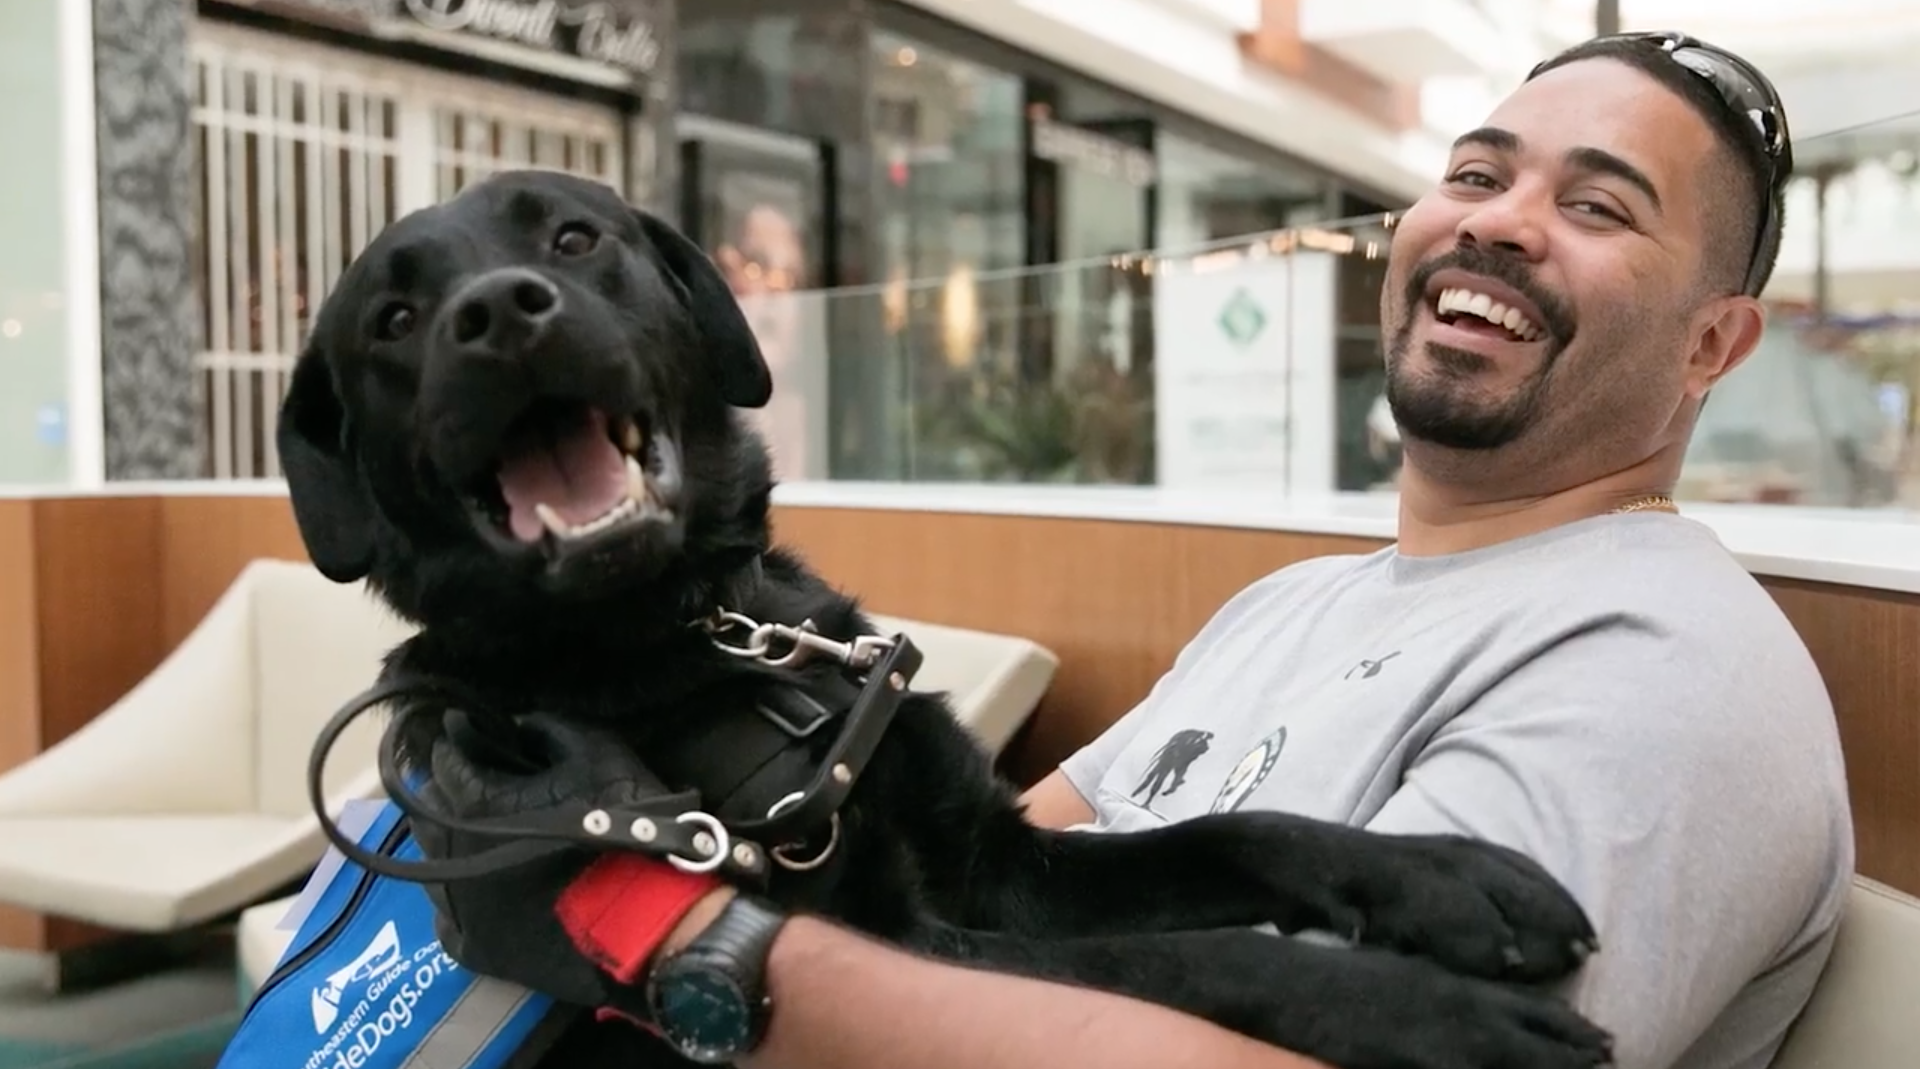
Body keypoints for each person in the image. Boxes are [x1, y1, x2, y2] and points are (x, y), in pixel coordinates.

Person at [434, 31, 1855, 1069]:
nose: (1500, 221)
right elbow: (984, 874)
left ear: (1713, 344)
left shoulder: (1666, 662)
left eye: (1598, 205)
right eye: (1477, 172)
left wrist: (674, 941)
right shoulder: (1293, 603)